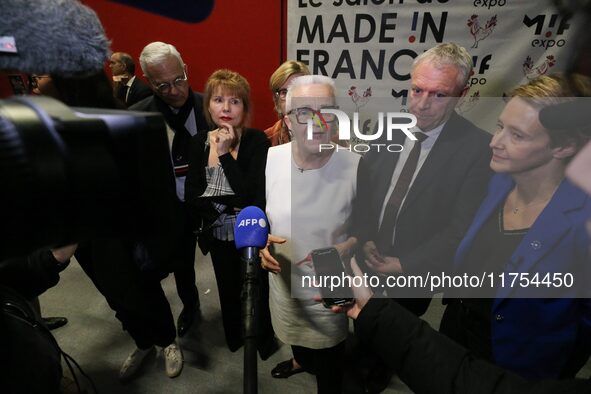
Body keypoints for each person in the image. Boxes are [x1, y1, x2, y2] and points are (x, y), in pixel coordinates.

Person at [31, 68, 186, 381]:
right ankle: (143, 342)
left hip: (124, 233)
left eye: (43, 79)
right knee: (114, 296)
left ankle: (167, 341)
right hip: (83, 238)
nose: (34, 85)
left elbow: (151, 188)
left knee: (144, 291)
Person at [440, 73, 591, 379]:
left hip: (515, 364)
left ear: (562, 147)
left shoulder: (582, 221)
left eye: (517, 135)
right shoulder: (498, 183)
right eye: (499, 127)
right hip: (456, 333)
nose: (495, 142)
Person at [360, 42, 492, 316]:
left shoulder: (478, 149)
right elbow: (365, 193)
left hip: (414, 276)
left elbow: (461, 228)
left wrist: (405, 264)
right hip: (366, 257)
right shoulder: (388, 129)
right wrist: (364, 237)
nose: (421, 105)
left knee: (398, 342)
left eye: (439, 95)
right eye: (417, 90)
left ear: (462, 94)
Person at [328, 258, 591, 394]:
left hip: (521, 354)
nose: (494, 148)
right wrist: (374, 311)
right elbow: (458, 377)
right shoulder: (498, 184)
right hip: (459, 319)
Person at [260, 74, 363, 393]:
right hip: (283, 280)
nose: (317, 121)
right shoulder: (270, 158)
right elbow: (261, 213)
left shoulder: (357, 165)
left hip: (327, 290)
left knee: (331, 362)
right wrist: (261, 241)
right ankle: (300, 360)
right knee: (295, 339)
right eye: (305, 112)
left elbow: (369, 228)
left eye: (327, 110)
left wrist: (349, 244)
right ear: (288, 120)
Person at [184, 69, 277, 358]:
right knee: (227, 287)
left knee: (256, 290)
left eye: (235, 102)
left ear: (245, 108)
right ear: (208, 105)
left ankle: (263, 340)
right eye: (218, 100)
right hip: (217, 232)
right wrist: (227, 201)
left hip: (249, 232)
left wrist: (224, 155)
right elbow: (192, 194)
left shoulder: (256, 141)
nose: (226, 108)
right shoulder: (199, 140)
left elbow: (253, 197)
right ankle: (235, 338)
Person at [130, 41, 208, 339]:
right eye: (163, 86)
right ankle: (191, 305)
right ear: (149, 82)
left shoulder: (211, 106)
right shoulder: (138, 116)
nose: (175, 91)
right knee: (181, 263)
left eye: (179, 80)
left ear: (186, 69)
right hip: (169, 207)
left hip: (210, 204)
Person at [264, 60, 310, 146]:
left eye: (297, 90)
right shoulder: (266, 140)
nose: (291, 99)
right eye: (284, 92)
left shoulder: (330, 136)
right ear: (276, 99)